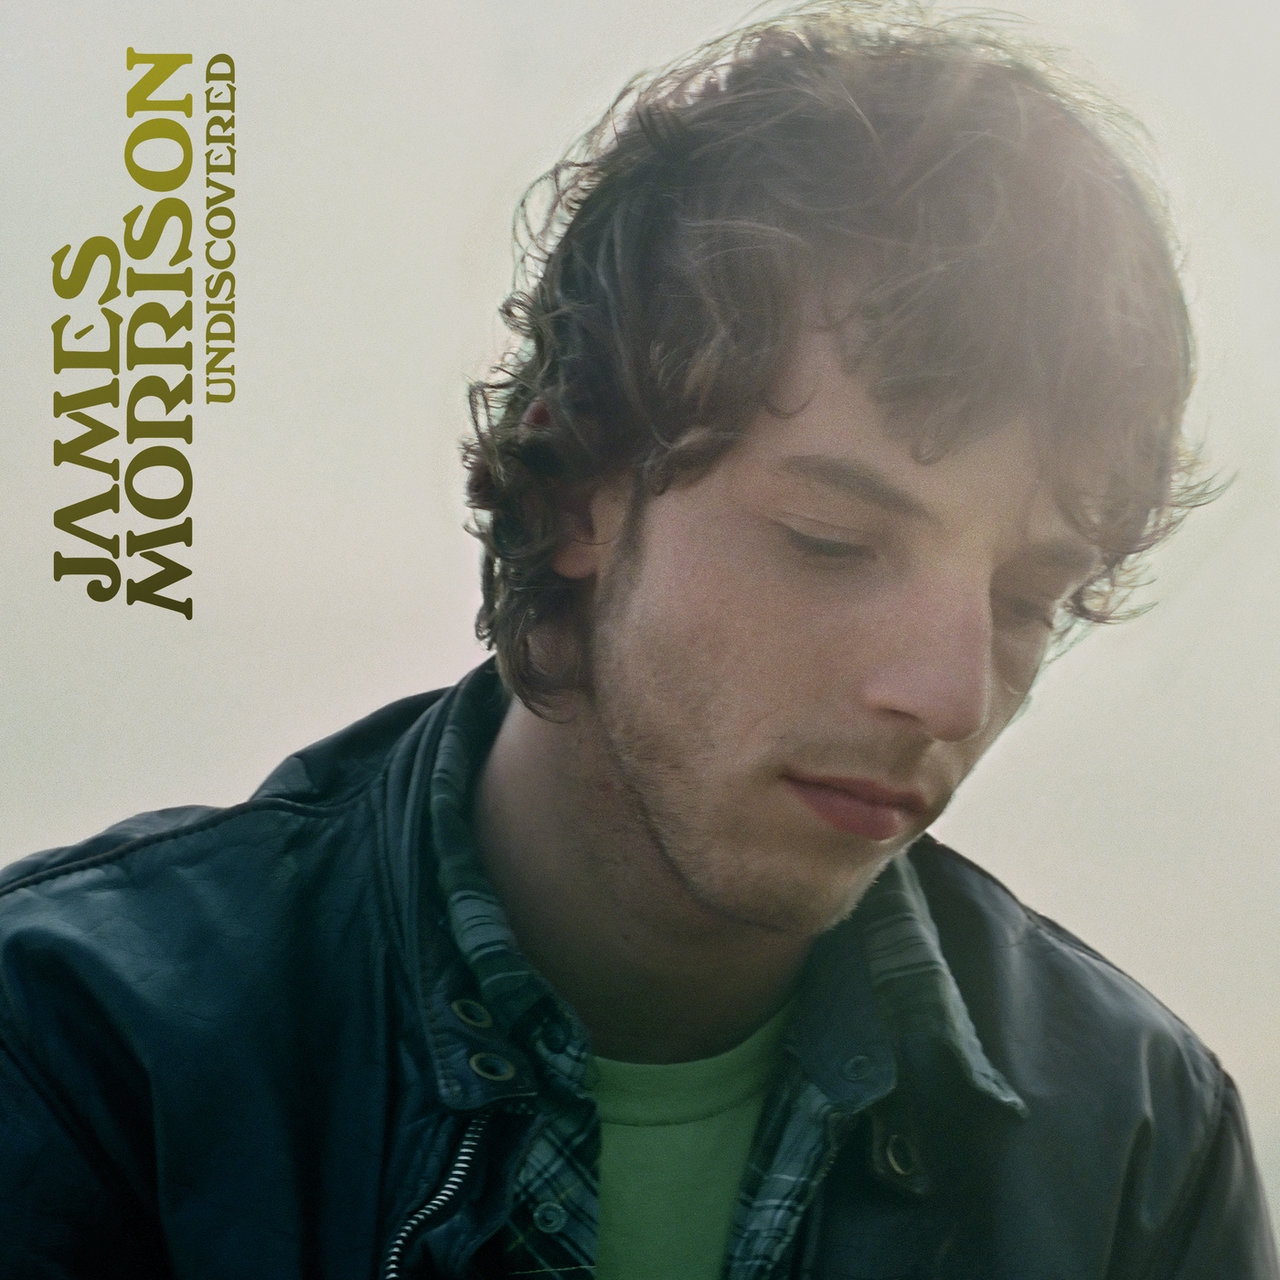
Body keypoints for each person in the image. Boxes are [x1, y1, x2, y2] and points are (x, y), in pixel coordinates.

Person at [1, 4, 1275, 1276]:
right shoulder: (74, 1046)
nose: (947, 693)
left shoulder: (1139, 1150)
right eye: (829, 541)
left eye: (1024, 599)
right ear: (576, 496)